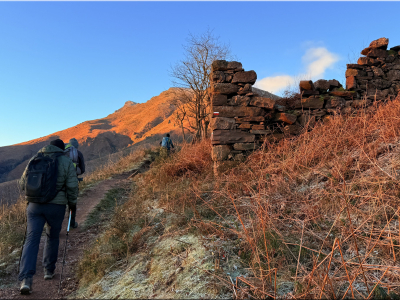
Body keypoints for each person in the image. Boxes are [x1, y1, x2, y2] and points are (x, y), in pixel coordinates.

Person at [18, 139, 78, 295]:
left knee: (31, 239)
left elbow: (22, 183)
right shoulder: (66, 161)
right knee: (52, 236)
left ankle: (26, 279)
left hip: (34, 206)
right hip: (56, 206)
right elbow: (72, 186)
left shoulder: (35, 159)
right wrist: (72, 205)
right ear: (61, 149)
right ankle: (48, 271)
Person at [64, 138, 85, 229]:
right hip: (72, 182)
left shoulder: (61, 153)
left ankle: (57, 225)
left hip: (59, 183)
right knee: (72, 203)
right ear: (76, 145)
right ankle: (71, 223)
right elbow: (82, 170)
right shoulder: (78, 153)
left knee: (60, 202)